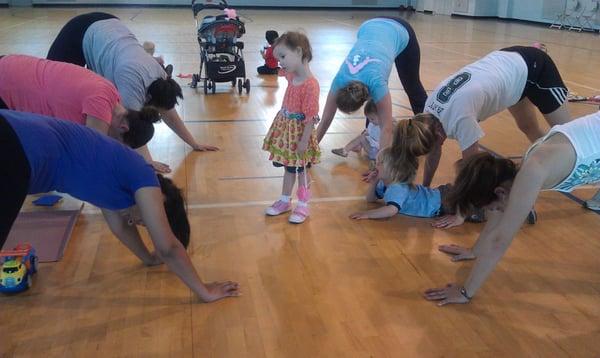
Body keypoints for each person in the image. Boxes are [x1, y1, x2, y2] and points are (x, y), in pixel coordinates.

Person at [0, 109, 239, 302]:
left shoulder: (114, 182)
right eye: (147, 219)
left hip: (16, 134)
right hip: (17, 147)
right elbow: (167, 247)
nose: (137, 222)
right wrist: (205, 291)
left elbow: (121, 227)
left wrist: (148, 258)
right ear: (160, 200)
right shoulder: (142, 175)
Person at [423, 111, 600, 305]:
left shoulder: (533, 171)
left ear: (499, 192)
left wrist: (465, 292)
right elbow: (496, 220)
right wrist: (475, 251)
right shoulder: (517, 173)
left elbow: (500, 239)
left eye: (493, 207)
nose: (496, 211)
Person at [47, 13, 219, 173]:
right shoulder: (130, 82)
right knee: (52, 87)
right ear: (149, 97)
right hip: (78, 32)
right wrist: (147, 162)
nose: (159, 111)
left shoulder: (161, 78)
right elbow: (130, 129)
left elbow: (170, 114)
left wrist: (193, 143)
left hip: (110, 26)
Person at [0, 54, 158, 149]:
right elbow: (92, 158)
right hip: (7, 84)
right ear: (123, 127)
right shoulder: (99, 109)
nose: (112, 143)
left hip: (12, 64)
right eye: (117, 141)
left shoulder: (111, 93)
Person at [316, 17, 427, 150]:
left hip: (400, 30)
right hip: (369, 26)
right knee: (376, 106)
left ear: (362, 101)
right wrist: (307, 155)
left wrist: (379, 166)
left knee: (412, 86)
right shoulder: (339, 80)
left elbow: (387, 128)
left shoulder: (377, 83)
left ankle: (428, 132)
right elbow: (325, 121)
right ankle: (371, 134)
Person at [262, 32, 320, 224]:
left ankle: (303, 205)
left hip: (300, 134)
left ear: (299, 51)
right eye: (279, 58)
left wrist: (304, 141)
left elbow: (310, 118)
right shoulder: (290, 75)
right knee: (289, 168)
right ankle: (285, 200)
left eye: (283, 57)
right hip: (287, 131)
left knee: (302, 169)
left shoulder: (311, 85)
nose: (280, 63)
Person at [349, 119, 454, 220]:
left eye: (380, 163)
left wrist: (368, 214)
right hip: (441, 198)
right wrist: (374, 182)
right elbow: (370, 199)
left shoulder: (398, 187)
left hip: (445, 201)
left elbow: (392, 210)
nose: (376, 166)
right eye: (377, 162)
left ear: (393, 169)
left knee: (469, 210)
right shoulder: (383, 183)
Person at [331, 99, 381, 169]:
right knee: (362, 135)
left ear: (381, 115)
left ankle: (345, 150)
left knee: (362, 137)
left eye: (372, 119)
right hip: (372, 148)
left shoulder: (384, 126)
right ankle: (350, 149)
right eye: (369, 119)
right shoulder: (373, 124)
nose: (370, 121)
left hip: (377, 152)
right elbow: (369, 132)